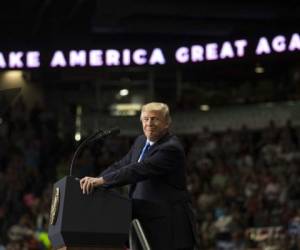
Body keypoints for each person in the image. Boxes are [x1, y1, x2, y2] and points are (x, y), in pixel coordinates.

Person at [80, 102, 198, 250]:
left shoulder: (171, 148)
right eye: (146, 119)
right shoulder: (141, 141)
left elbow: (139, 170)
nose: (150, 123)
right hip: (142, 222)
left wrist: (102, 181)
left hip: (168, 226)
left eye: (155, 119)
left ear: (167, 122)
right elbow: (122, 164)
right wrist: (95, 181)